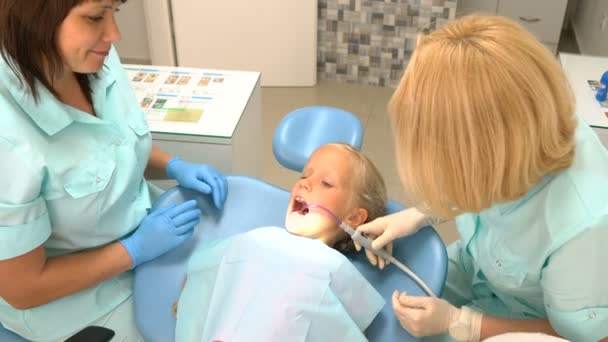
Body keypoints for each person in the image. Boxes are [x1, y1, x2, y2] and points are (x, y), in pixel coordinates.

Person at [356, 15, 608, 342]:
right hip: (484, 267)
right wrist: (420, 213)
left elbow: (586, 337)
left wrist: (465, 325)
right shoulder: (526, 119)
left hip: (534, 323)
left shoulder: (585, 228)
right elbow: (481, 175)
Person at [0, 1, 227, 341]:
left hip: (148, 234)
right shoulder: (9, 138)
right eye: (94, 17)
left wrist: (173, 166)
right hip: (79, 301)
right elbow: (24, 289)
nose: (114, 34)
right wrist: (133, 250)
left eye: (114, 12)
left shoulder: (90, 53)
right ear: (33, 13)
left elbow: (110, 144)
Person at [172, 143, 389, 341]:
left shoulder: (335, 264)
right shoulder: (260, 237)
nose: (306, 184)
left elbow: (353, 326)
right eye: (304, 176)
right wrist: (191, 300)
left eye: (326, 183)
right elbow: (201, 271)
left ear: (353, 218)